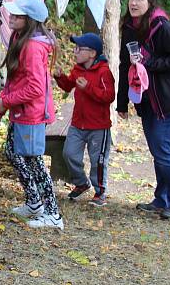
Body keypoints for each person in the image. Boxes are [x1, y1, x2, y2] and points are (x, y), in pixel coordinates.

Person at [117, 0, 170, 220]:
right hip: (147, 101)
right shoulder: (130, 28)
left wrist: (149, 63)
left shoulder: (163, 28)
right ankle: (162, 200)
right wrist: (122, 103)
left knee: (162, 149)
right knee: (157, 151)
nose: (133, 3)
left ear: (150, 2)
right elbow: (124, 66)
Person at [0, 0, 63, 230]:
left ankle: (53, 214)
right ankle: (34, 202)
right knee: (12, 151)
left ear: (29, 20)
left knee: (33, 161)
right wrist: (4, 103)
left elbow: (35, 88)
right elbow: (15, 78)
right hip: (20, 111)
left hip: (31, 113)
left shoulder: (32, 46)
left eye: (19, 15)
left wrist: (6, 103)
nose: (12, 17)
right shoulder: (19, 38)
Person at [54, 32, 115, 207]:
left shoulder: (103, 72)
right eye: (75, 48)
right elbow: (67, 85)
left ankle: (100, 191)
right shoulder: (78, 69)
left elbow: (109, 96)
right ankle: (81, 182)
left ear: (92, 53)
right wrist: (60, 77)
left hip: (98, 127)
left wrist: (88, 88)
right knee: (69, 154)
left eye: (80, 49)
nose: (75, 52)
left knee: (98, 160)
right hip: (78, 124)